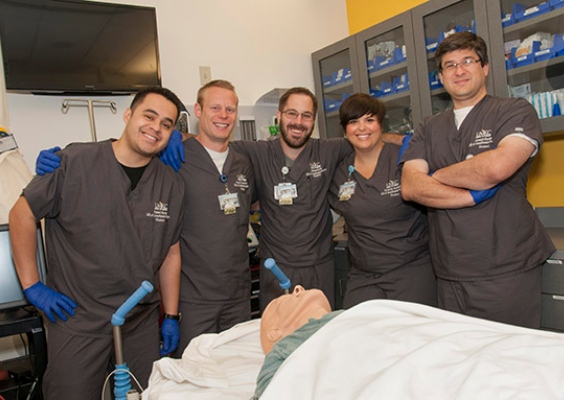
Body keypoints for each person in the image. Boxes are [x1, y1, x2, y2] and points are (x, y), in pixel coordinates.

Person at [9, 86, 185, 400]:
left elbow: (170, 251)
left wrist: (170, 316)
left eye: (166, 124)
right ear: (128, 115)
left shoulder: (170, 183)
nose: (155, 127)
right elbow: (21, 214)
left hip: (139, 323)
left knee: (145, 395)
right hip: (78, 319)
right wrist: (32, 285)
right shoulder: (75, 161)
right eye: (149, 116)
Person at [400, 32, 555, 328]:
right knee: (461, 361)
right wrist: (469, 193)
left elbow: (495, 169)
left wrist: (436, 175)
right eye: (449, 65)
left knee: (509, 359)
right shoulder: (428, 126)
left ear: (484, 68)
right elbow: (410, 186)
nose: (459, 70)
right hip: (449, 271)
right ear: (441, 78)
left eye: (467, 61)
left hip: (506, 266)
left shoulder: (514, 110)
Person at [329, 93, 436, 309]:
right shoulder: (339, 172)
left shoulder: (405, 160)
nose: (362, 128)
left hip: (411, 270)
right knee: (359, 334)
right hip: (364, 276)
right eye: (353, 122)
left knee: (412, 338)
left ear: (380, 124)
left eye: (369, 120)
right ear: (344, 129)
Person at [173, 80, 255, 354]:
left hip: (238, 295)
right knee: (196, 377)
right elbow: (129, 148)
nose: (223, 115)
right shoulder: (176, 158)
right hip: (196, 298)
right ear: (198, 110)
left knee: (237, 372)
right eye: (216, 107)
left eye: (230, 109)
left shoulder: (243, 162)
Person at [255, 285, 339, 399]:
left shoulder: (357, 314)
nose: (298, 288)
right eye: (279, 303)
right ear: (274, 333)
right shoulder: (281, 356)